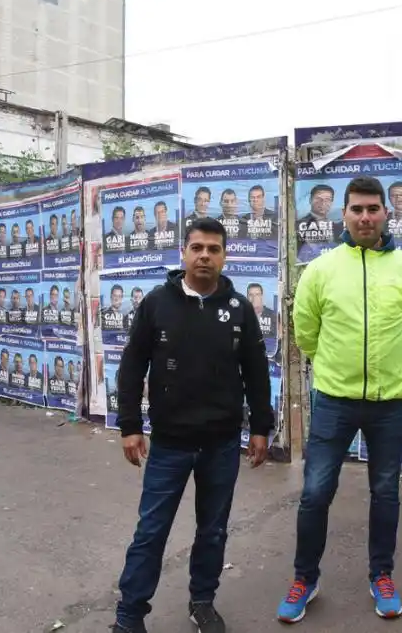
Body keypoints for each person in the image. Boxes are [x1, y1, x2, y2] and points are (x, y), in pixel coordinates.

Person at [277, 175, 402, 623]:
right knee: (314, 492)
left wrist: (392, 365)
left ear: (386, 213)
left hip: (390, 403)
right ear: (343, 215)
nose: (365, 217)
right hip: (334, 400)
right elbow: (305, 330)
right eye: (357, 209)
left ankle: (381, 575)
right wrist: (335, 366)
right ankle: (305, 578)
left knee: (385, 492)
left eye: (373, 209)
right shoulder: (323, 270)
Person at [110, 217, 274, 633]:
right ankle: (130, 617)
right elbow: (131, 368)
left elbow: (256, 371)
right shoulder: (156, 303)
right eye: (197, 248)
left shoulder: (239, 309)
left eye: (213, 249)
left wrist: (260, 426)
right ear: (183, 253)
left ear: (224, 256)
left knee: (213, 531)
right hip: (170, 443)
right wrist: (129, 425)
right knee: (151, 532)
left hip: (221, 443)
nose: (205, 256)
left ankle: (202, 602)